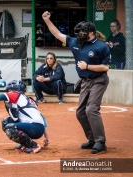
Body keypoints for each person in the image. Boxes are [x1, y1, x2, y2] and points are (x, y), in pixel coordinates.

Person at [42, 11, 110, 154]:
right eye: (78, 31)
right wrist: (47, 20)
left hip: (99, 80)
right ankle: (92, 140)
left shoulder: (101, 47)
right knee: (80, 112)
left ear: (91, 33)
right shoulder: (74, 42)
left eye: (82, 32)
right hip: (85, 81)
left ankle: (100, 141)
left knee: (91, 109)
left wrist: (87, 66)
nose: (79, 34)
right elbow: (57, 34)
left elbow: (105, 67)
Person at [0, 80, 49, 154]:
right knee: (6, 121)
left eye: (11, 89)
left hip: (35, 128)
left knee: (10, 127)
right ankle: (25, 143)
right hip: (35, 127)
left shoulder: (15, 95)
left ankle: (34, 146)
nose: (9, 92)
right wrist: (46, 137)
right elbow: (42, 117)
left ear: (17, 90)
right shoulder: (26, 99)